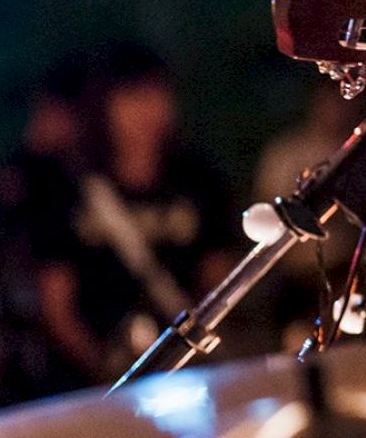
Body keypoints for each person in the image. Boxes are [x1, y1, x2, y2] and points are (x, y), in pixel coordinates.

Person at [28, 43, 238, 386]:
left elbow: (218, 281)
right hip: (96, 382)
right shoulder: (68, 189)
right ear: (103, 106)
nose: (148, 111)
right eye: (132, 97)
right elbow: (56, 305)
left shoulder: (198, 180)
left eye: (157, 95)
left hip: (188, 371)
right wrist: (108, 373)